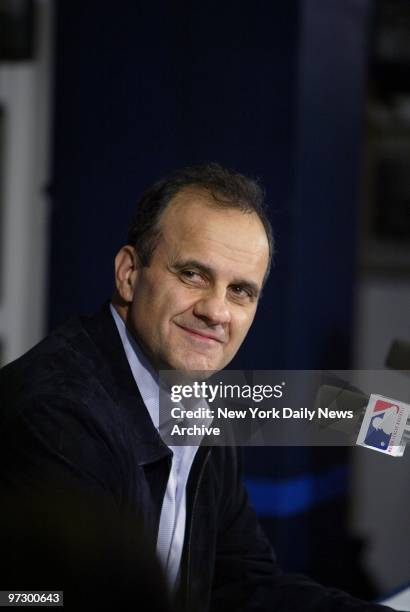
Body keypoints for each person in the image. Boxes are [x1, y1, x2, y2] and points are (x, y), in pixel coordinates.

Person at [0, 164, 396, 611]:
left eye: (241, 291)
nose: (216, 311)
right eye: (193, 274)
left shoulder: (200, 403)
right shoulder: (57, 415)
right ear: (129, 273)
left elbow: (242, 584)